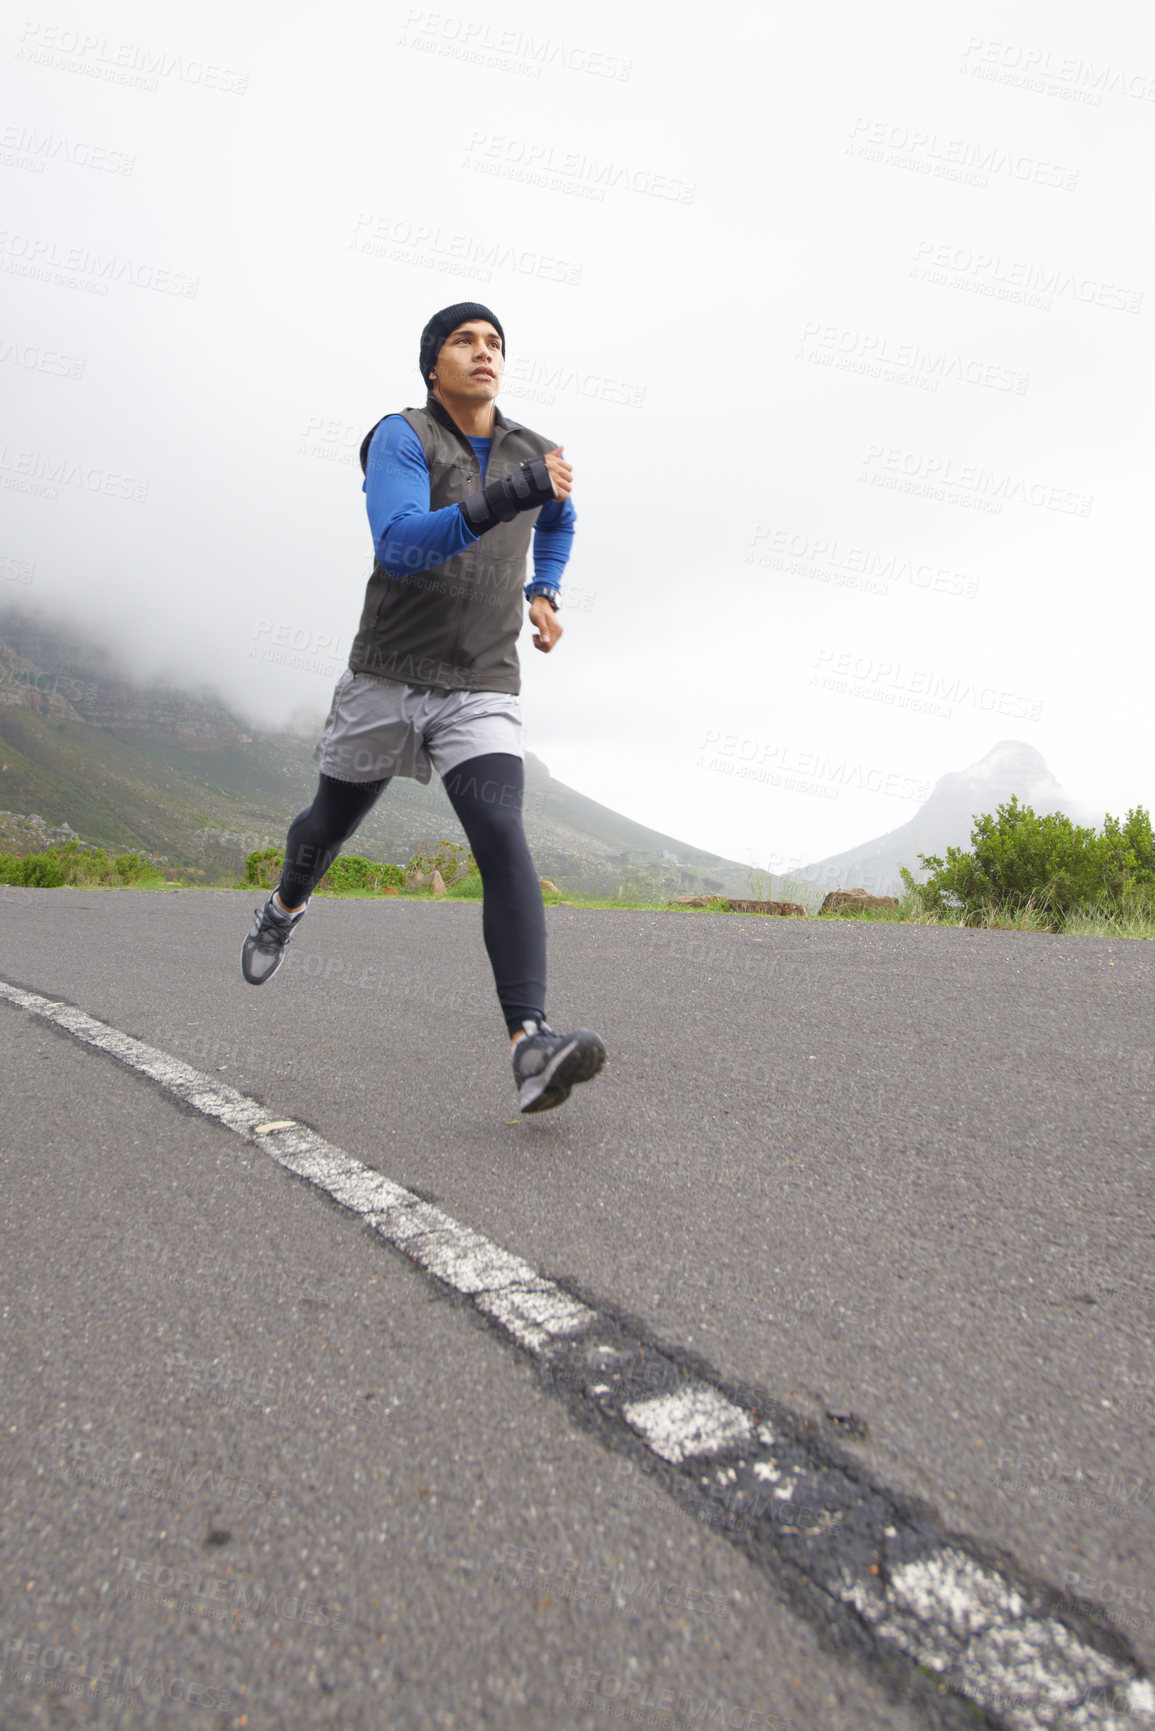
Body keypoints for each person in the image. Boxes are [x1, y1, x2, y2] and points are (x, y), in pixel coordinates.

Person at [241, 301, 606, 1115]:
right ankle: (283, 907)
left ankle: (530, 1043)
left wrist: (544, 589)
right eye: (464, 340)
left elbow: (561, 518)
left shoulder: (534, 451)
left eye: (495, 343)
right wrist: (512, 493)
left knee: (502, 835)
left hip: (480, 683)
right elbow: (399, 543)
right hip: (385, 678)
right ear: (431, 363)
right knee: (324, 830)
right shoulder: (402, 437)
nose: (484, 352)